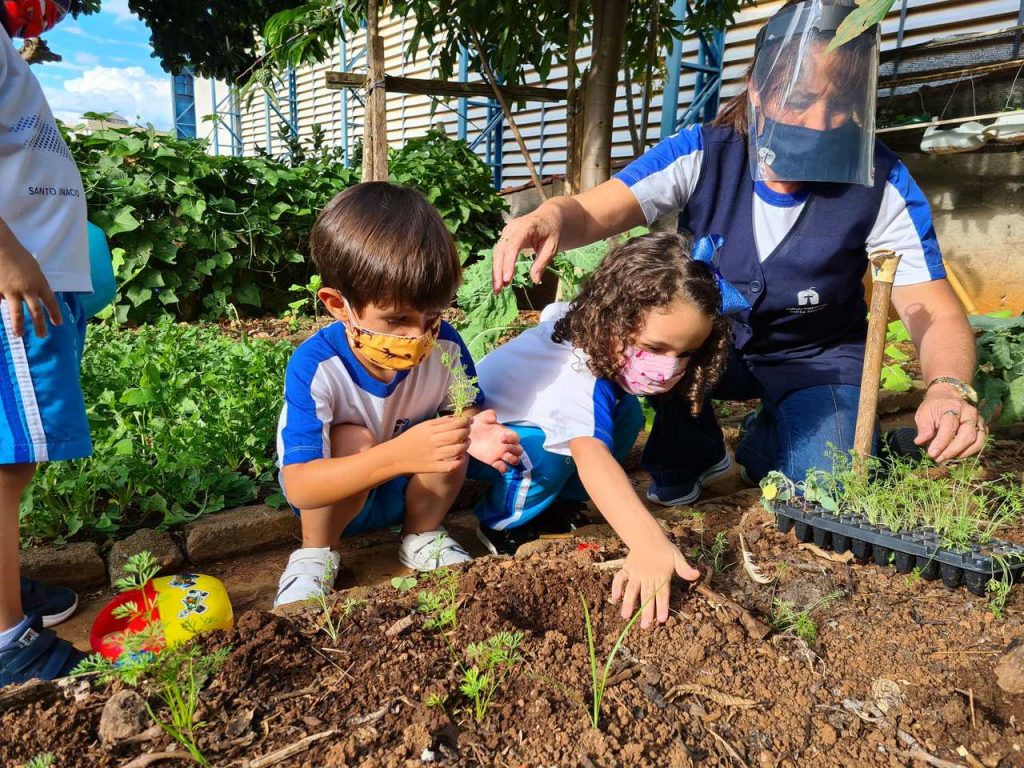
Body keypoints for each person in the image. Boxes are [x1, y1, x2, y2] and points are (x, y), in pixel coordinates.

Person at [492, 0, 983, 508]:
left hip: (818, 359)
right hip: (706, 347)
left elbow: (935, 310)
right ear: (758, 90)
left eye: (839, 105)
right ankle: (695, 452)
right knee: (657, 345)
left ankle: (767, 435)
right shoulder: (706, 151)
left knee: (825, 492)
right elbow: (597, 210)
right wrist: (548, 217)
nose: (818, 122)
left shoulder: (881, 183)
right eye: (800, 100)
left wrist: (948, 387)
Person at [471, 231, 748, 627]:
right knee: (546, 452)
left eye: (685, 353)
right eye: (655, 348)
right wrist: (648, 541)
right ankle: (503, 524)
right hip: (486, 442)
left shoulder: (595, 336)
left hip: (533, 422)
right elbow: (593, 458)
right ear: (613, 319)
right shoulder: (576, 373)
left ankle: (559, 504)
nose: (670, 366)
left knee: (627, 416)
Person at [274, 182, 522, 607]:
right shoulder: (316, 366)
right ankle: (315, 552)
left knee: (450, 431)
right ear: (338, 305)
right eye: (396, 318)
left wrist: (477, 427)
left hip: (411, 495)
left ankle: (422, 535)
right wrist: (399, 455)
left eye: (432, 315)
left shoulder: (446, 347)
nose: (418, 334)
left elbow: (467, 406)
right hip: (332, 501)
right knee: (353, 439)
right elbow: (300, 487)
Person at [0, 0, 93, 686]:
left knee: (15, 461)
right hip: (13, 286)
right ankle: (8, 642)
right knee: (2, 465)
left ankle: (5, 587)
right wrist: (7, 258)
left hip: (36, 276)